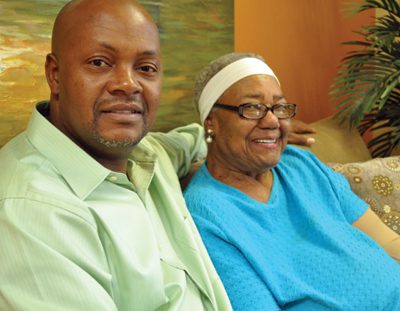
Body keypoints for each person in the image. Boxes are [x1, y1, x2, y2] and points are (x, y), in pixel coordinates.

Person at [0, 0, 232, 309]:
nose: (127, 84)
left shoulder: (149, 153)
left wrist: (252, 131)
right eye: (99, 62)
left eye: (146, 68)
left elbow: (192, 139)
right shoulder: (31, 211)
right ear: (55, 74)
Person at [184, 52, 400, 311]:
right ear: (211, 122)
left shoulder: (302, 164)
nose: (273, 120)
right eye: (252, 108)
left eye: (279, 107)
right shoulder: (206, 213)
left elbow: (387, 241)